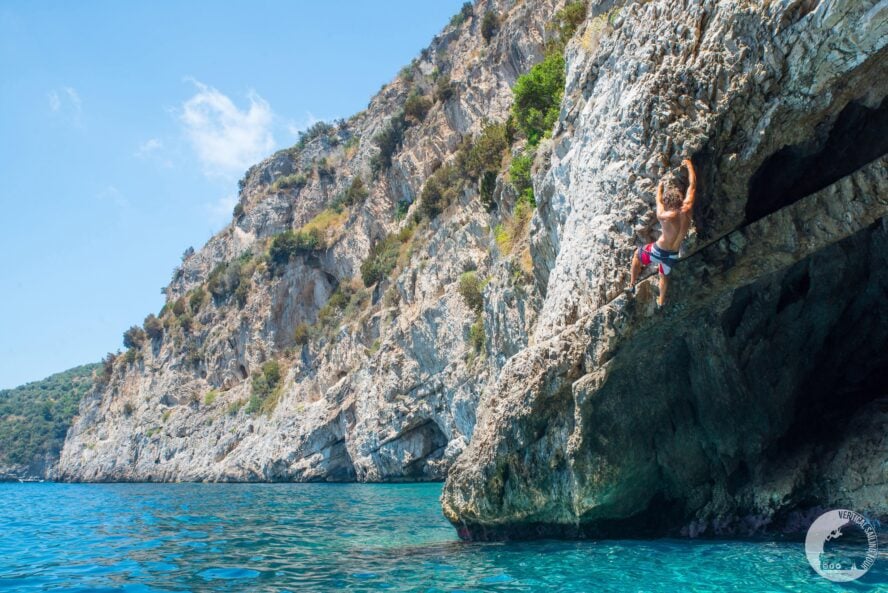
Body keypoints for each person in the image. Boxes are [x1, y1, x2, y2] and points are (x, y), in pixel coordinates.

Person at [629, 157, 696, 307]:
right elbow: (692, 186)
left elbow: (658, 202)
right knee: (664, 276)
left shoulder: (663, 216)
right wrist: (690, 165)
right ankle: (660, 301)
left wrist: (659, 188)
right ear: (680, 200)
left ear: (668, 204)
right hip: (673, 254)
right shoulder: (687, 208)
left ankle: (632, 283)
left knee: (637, 256)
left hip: (657, 251)